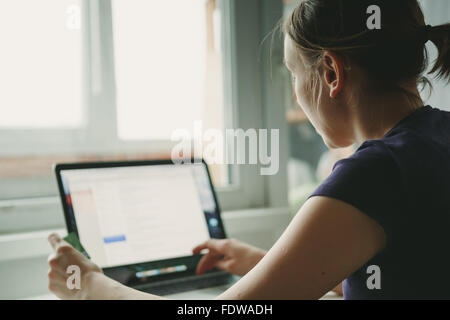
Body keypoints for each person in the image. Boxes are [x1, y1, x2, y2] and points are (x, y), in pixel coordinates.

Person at [47, 0, 450, 299]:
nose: (295, 98)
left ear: (331, 72)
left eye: (293, 74)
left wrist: (87, 285)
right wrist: (259, 263)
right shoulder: (435, 139)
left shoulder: (375, 172)